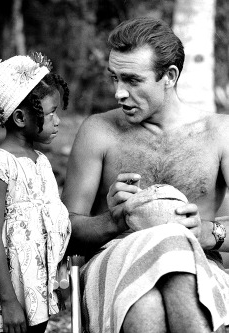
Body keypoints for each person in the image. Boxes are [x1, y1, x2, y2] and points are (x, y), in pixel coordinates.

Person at [62, 17, 229, 333]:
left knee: (163, 267)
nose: (118, 93)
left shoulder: (219, 133)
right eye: (114, 78)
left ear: (169, 76)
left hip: (198, 265)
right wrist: (113, 220)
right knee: (143, 293)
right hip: (114, 265)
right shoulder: (99, 131)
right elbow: (65, 232)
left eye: (132, 80)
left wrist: (209, 232)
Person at [0, 53, 71, 333]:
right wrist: (8, 300)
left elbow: (51, 222)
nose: (57, 121)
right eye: (51, 112)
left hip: (38, 286)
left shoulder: (41, 162)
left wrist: (58, 281)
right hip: (12, 288)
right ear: (20, 117)